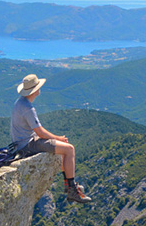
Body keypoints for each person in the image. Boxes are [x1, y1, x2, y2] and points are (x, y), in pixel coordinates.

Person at [9, 74, 92, 203]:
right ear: (35, 90)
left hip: (22, 142)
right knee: (69, 149)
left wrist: (57, 140)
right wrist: (58, 138)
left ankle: (68, 185)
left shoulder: (20, 102)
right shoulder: (28, 108)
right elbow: (40, 132)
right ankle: (72, 190)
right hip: (28, 144)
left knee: (63, 148)